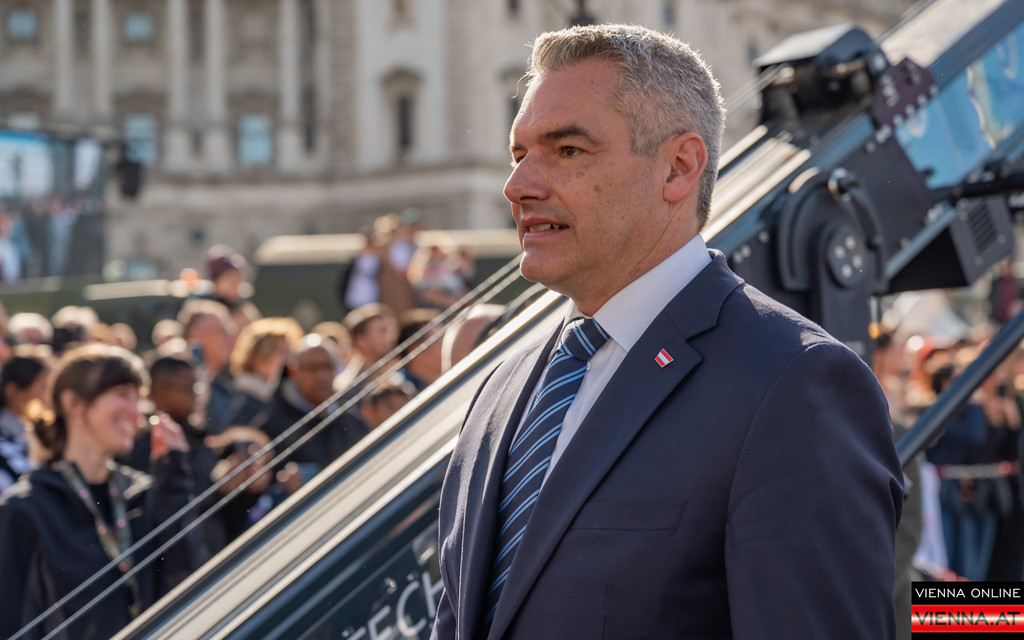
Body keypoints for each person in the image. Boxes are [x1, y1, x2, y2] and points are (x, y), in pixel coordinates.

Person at [431, 24, 903, 640]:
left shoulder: (796, 386)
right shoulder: (502, 387)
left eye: (567, 150)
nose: (518, 186)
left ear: (679, 168)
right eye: (519, 155)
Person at [0, 344, 203, 640]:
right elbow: (11, 623)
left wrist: (175, 481)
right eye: (121, 394)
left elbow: (187, 586)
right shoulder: (26, 509)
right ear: (73, 403)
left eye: (138, 398)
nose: (136, 411)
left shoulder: (141, 494)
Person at [0, 350, 52, 492]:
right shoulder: (6, 440)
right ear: (13, 390)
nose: (47, 397)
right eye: (42, 388)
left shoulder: (43, 431)